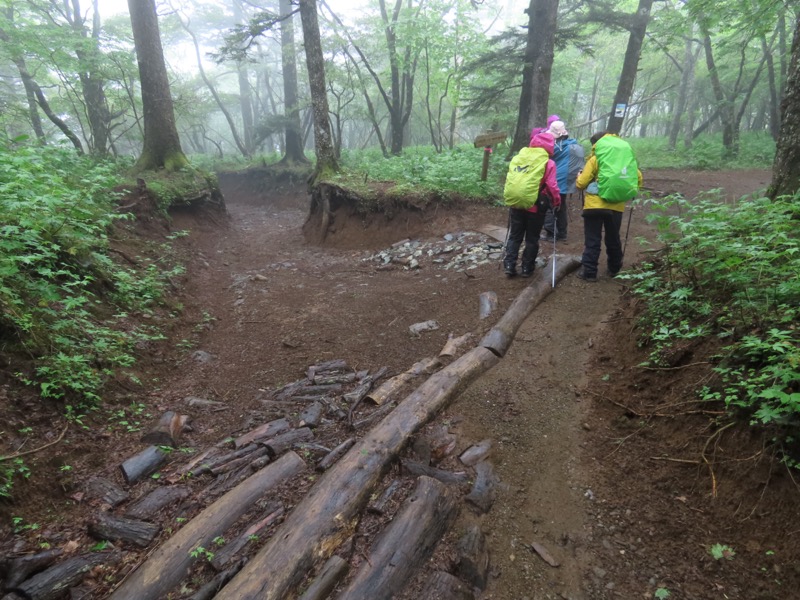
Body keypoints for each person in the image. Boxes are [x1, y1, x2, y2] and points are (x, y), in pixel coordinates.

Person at [575, 131, 643, 282]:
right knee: (613, 237)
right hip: (616, 206)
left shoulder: (595, 158)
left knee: (593, 238)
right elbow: (638, 179)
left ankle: (589, 272)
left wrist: (579, 177)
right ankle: (614, 268)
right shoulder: (626, 160)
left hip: (594, 206)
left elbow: (581, 184)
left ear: (597, 145)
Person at [503, 131, 561, 278]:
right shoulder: (548, 163)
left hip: (516, 204)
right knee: (532, 238)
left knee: (515, 236)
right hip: (535, 207)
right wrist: (556, 202)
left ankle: (509, 265)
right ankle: (527, 268)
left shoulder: (519, 157)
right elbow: (552, 186)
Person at [541, 120, 584, 241]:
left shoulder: (556, 147)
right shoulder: (573, 145)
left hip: (556, 181)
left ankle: (551, 234)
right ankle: (562, 233)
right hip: (566, 182)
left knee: (551, 205)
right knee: (560, 206)